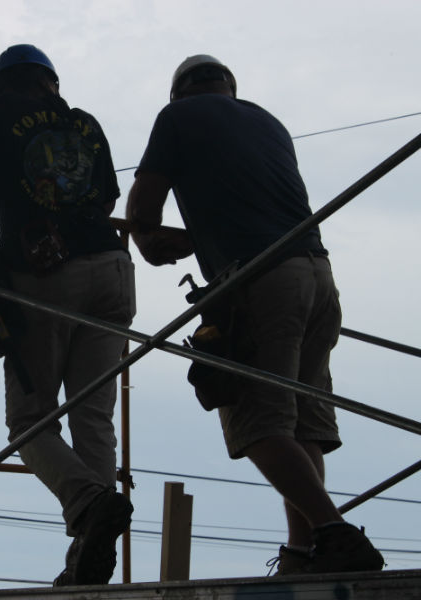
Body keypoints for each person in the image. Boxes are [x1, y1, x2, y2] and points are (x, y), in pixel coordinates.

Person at [126, 54, 385, 575]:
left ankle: (334, 532)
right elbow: (250, 202)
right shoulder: (268, 121)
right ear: (230, 88)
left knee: (255, 421)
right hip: (316, 274)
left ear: (179, 92)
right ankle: (303, 550)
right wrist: (198, 238)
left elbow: (143, 211)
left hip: (261, 280)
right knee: (302, 425)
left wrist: (149, 241)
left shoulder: (176, 117)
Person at [0, 44, 136, 586]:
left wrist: (8, 199)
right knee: (92, 416)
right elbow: (101, 204)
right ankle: (88, 562)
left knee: (30, 420)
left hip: (47, 272)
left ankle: (87, 502)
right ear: (53, 82)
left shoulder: (1, 112)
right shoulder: (85, 123)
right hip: (115, 270)